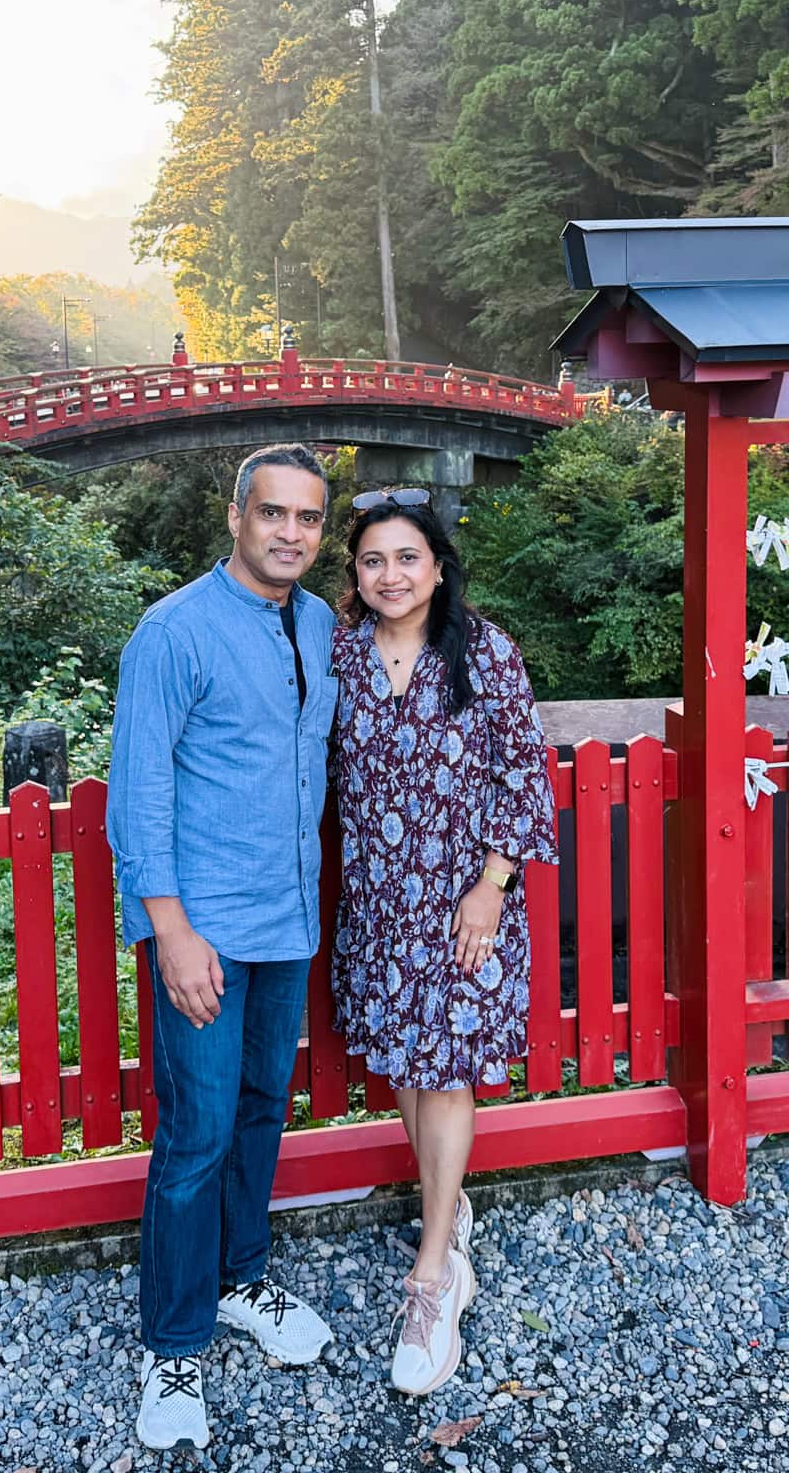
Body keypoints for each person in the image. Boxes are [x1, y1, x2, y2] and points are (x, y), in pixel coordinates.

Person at [107, 443, 339, 1452]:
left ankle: (244, 1278)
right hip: (203, 929)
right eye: (274, 513)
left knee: (258, 1109)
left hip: (286, 919)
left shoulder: (324, 624)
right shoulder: (174, 632)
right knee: (196, 1130)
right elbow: (138, 790)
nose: (291, 532)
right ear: (237, 517)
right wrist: (170, 930)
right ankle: (173, 1344)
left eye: (309, 518)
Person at [329, 488, 555, 1397]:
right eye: (373, 561)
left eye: (408, 559)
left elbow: (523, 773)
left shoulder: (485, 652)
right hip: (380, 904)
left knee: (447, 1067)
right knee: (410, 1068)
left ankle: (434, 1276)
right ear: (355, 572)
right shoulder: (339, 655)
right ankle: (444, 1208)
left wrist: (492, 889)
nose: (391, 576)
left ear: (438, 566)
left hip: (465, 900)